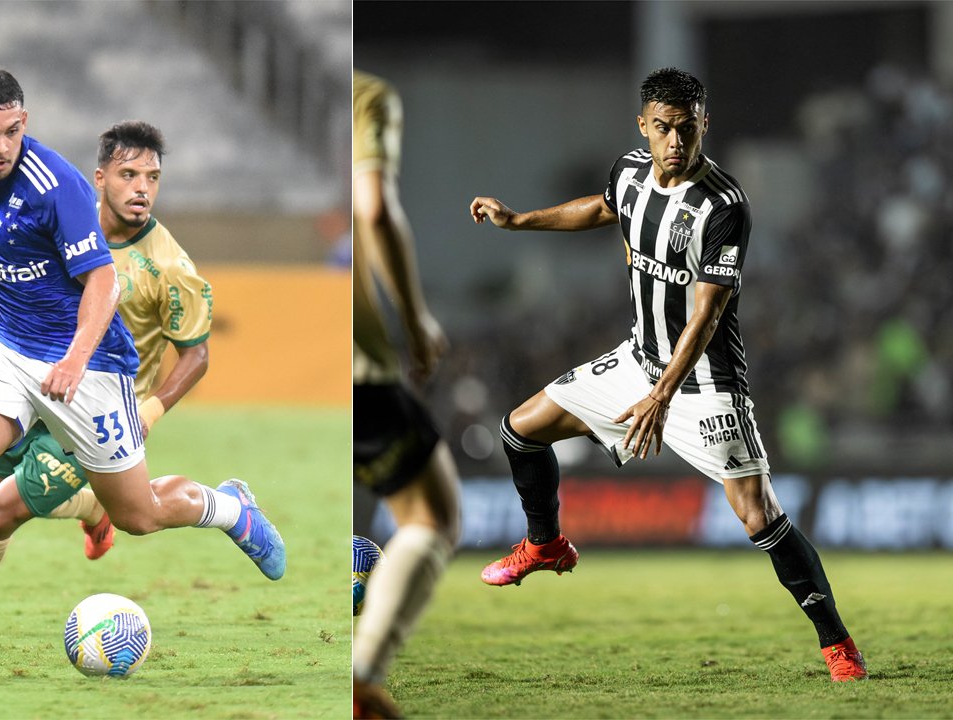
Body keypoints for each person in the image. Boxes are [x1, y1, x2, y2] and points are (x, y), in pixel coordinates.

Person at [0, 71, 284, 676]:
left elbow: (104, 281)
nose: (1, 146)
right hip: (8, 348)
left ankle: (228, 509)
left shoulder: (56, 185)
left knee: (138, 515)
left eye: (12, 131)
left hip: (89, 366)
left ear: (24, 124)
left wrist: (76, 358)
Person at [469, 67, 866, 683]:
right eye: (663, 129)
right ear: (643, 127)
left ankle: (837, 642)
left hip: (706, 383)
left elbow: (707, 314)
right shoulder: (629, 171)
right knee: (520, 428)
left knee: (758, 515)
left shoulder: (724, 205)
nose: (675, 142)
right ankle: (545, 543)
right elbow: (602, 208)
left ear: (704, 124)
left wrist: (662, 395)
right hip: (638, 360)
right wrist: (520, 221)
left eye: (686, 129)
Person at [0, 120, 283, 634]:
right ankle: (93, 508)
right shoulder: (64, 214)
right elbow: (13, 272)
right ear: (99, 178)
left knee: (10, 513)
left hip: (98, 402)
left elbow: (196, 356)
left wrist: (153, 407)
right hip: (34, 379)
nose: (142, 188)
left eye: (152, 177)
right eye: (129, 175)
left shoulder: (171, 268)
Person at [351, 69, 462, 719]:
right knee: (432, 516)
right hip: (351, 359)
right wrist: (416, 320)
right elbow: (377, 209)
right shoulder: (365, 95)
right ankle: (361, 676)